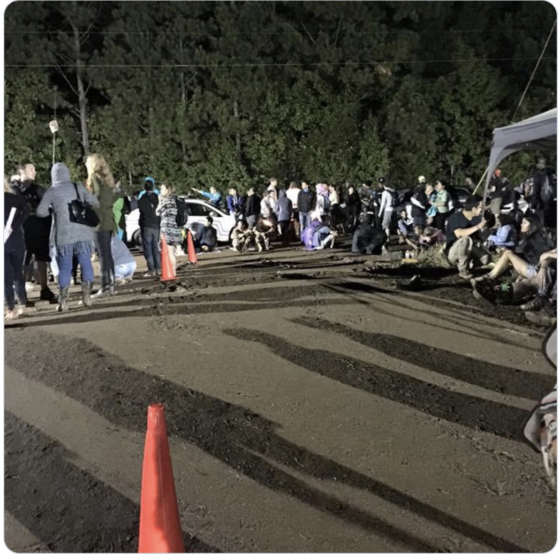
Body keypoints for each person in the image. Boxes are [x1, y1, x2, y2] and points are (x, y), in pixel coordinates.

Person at [36, 163, 99, 312]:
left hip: (63, 235)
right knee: (85, 263)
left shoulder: (51, 191)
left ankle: (63, 302)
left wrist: (52, 209)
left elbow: (40, 212)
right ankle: (87, 297)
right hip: (83, 232)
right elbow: (95, 203)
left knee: (65, 268)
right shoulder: (78, 187)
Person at [473, 214, 553, 301]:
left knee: (516, 283)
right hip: (532, 269)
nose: (521, 224)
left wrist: (542, 269)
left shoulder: (537, 240)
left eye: (525, 223)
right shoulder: (527, 238)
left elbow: (544, 257)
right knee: (509, 256)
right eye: (522, 222)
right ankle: (491, 284)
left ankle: (492, 285)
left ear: (533, 225)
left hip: (537, 272)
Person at [9, 163, 56, 302]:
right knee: (23, 262)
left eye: (34, 169)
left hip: (40, 230)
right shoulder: (14, 189)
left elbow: (49, 205)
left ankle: (44, 289)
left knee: (42, 259)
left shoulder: (38, 189)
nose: (34, 172)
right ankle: (21, 293)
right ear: (22, 171)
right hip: (22, 231)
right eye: (31, 169)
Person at [86, 153, 123, 298]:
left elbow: (98, 196)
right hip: (109, 219)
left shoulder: (94, 177)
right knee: (107, 255)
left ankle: (105, 286)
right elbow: (113, 197)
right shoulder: (107, 180)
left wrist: (90, 203)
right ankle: (110, 285)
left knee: (102, 255)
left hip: (99, 221)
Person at [445, 195, 489, 280]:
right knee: (465, 240)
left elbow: (482, 238)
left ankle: (469, 264)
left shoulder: (477, 219)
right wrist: (478, 226)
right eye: (480, 207)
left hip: (470, 249)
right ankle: (463, 269)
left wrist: (486, 228)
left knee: (486, 258)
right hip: (454, 252)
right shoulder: (455, 217)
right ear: (473, 208)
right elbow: (459, 234)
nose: (482, 210)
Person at [4, 178, 29, 319]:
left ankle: (10, 308)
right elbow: (27, 211)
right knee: (18, 274)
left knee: (5, 277)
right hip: (17, 240)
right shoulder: (15, 198)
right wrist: (15, 225)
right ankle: (22, 305)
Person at [156, 183, 183, 273]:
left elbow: (157, 212)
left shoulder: (165, 201)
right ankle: (173, 271)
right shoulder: (175, 199)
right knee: (171, 251)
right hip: (175, 227)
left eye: (162, 189)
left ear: (167, 190)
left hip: (167, 228)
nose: (160, 191)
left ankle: (170, 271)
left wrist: (160, 200)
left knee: (167, 251)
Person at [138, 178, 161, 278]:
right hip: (156, 224)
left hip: (146, 224)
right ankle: (159, 268)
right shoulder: (157, 197)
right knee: (155, 246)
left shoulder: (142, 199)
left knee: (148, 248)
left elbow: (141, 212)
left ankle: (151, 269)